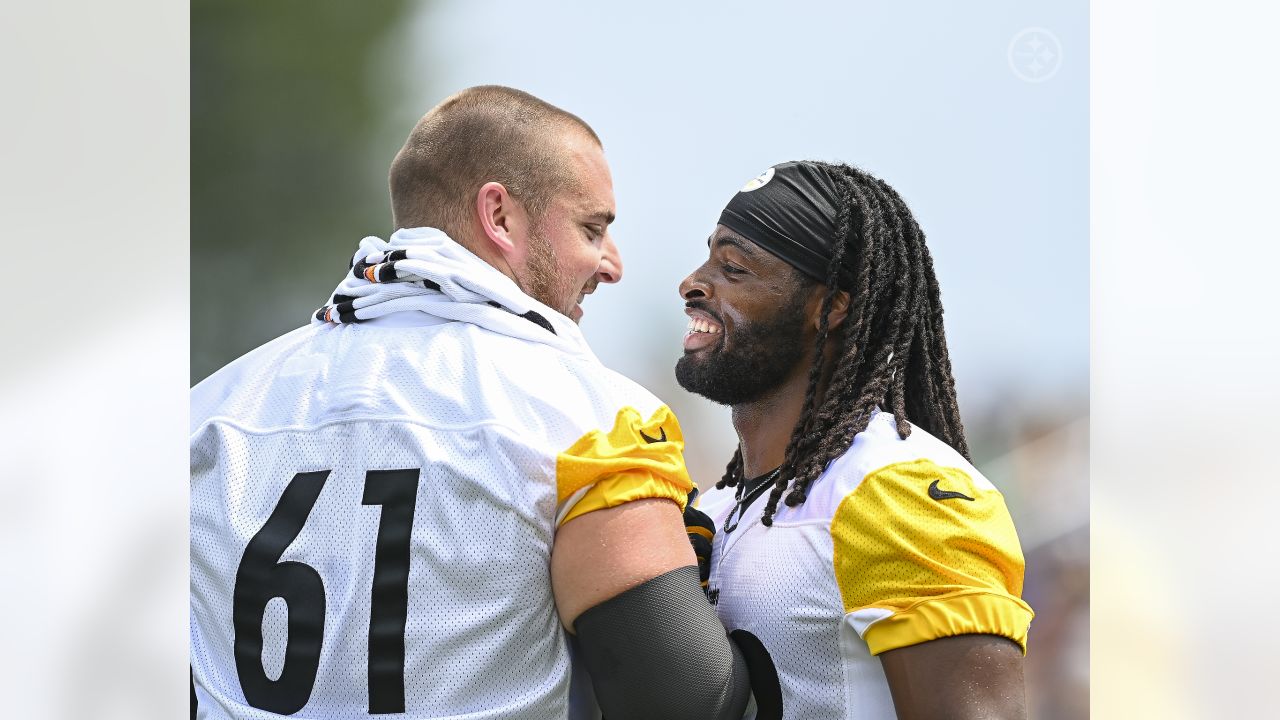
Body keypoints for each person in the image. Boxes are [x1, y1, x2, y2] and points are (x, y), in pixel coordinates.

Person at [191, 86, 750, 719]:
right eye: (591, 228)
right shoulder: (589, 413)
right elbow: (683, 698)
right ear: (500, 217)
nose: (611, 264)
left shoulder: (206, 410)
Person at [676, 160, 1035, 719]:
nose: (693, 283)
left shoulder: (902, 490)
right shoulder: (716, 507)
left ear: (829, 306)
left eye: (734, 269)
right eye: (708, 259)